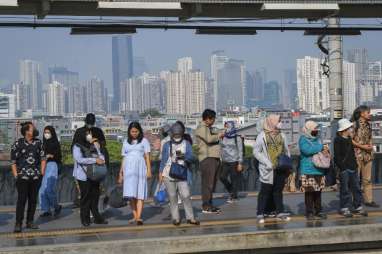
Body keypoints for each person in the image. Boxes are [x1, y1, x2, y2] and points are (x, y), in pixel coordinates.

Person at [159, 123, 200, 226]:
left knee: (186, 195)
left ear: (182, 132)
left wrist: (183, 157)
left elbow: (193, 157)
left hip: (182, 172)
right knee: (172, 197)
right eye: (175, 132)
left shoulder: (186, 143)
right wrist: (160, 173)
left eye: (178, 132)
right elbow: (163, 160)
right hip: (168, 173)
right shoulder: (166, 144)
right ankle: (176, 218)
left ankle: (190, 217)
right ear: (172, 133)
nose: (177, 134)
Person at [253, 114, 291, 224]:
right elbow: (256, 151)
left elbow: (286, 150)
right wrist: (266, 162)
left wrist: (288, 166)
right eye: (278, 120)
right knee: (265, 192)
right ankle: (260, 213)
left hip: (280, 167)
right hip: (268, 169)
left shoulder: (282, 135)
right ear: (272, 122)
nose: (280, 122)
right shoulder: (262, 135)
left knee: (278, 191)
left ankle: (280, 212)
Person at [11, 122, 46, 233]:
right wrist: (16, 175)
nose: (35, 130)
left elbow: (43, 158)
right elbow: (13, 162)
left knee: (33, 200)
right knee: (21, 200)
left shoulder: (38, 143)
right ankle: (18, 223)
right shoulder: (18, 144)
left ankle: (30, 222)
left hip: (36, 177)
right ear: (27, 131)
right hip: (22, 177)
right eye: (32, 128)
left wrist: (42, 173)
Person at [118, 122, 152, 225]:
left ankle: (139, 217)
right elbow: (123, 157)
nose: (134, 133)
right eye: (132, 131)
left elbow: (147, 156)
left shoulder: (144, 141)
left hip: (140, 168)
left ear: (139, 131)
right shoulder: (125, 142)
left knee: (140, 192)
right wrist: (121, 172)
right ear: (129, 131)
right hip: (128, 169)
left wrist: (149, 170)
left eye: (136, 131)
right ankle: (135, 216)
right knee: (131, 193)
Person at [72, 128, 108, 227]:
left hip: (94, 174)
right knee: (86, 197)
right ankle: (85, 218)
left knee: (95, 196)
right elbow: (79, 159)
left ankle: (97, 217)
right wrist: (95, 160)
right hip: (83, 175)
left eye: (90, 133)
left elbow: (100, 154)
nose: (89, 135)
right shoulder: (77, 146)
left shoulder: (93, 144)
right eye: (87, 134)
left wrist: (101, 159)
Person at [71, 113, 108, 207]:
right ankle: (85, 210)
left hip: (97, 166)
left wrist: (96, 141)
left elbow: (103, 144)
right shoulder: (80, 131)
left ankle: (96, 208)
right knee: (84, 191)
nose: (90, 125)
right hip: (83, 166)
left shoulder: (97, 131)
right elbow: (75, 146)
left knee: (96, 190)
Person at [334, 119, 368, 218]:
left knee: (356, 188)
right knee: (345, 189)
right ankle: (344, 207)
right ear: (345, 129)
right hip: (345, 169)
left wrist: (355, 165)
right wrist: (343, 168)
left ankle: (357, 206)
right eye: (349, 128)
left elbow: (352, 154)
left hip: (353, 167)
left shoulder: (349, 139)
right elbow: (337, 156)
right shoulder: (338, 140)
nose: (351, 129)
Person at [195, 109, 224, 214]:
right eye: (213, 118)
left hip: (214, 158)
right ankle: (206, 206)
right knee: (208, 183)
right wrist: (219, 135)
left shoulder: (208, 128)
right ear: (207, 119)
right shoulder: (201, 128)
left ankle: (210, 204)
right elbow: (209, 139)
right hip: (207, 159)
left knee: (212, 183)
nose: (214, 120)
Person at [299, 121, 328, 220]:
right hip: (308, 170)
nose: (316, 131)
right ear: (308, 130)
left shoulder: (318, 139)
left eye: (316, 130)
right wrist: (321, 147)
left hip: (319, 170)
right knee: (309, 193)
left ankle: (318, 211)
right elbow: (307, 150)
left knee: (318, 192)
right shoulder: (303, 140)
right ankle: (309, 212)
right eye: (314, 130)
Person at [352, 105, 379, 208]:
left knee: (367, 179)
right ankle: (355, 201)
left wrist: (370, 146)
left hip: (367, 155)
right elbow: (350, 140)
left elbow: (370, 137)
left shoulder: (368, 125)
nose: (369, 114)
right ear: (362, 113)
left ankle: (369, 200)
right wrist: (362, 146)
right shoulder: (354, 125)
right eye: (368, 112)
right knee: (355, 179)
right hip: (357, 155)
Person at [39, 126, 62, 218]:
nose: (46, 134)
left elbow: (58, 157)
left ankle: (56, 206)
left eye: (48, 132)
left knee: (49, 189)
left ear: (52, 133)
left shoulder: (55, 143)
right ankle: (46, 210)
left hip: (52, 166)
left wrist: (50, 155)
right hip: (44, 166)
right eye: (45, 132)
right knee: (42, 190)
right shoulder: (42, 144)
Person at [220, 121, 244, 203]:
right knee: (222, 177)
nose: (225, 128)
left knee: (234, 179)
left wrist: (240, 163)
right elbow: (221, 148)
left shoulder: (237, 138)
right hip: (225, 161)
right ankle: (232, 191)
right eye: (225, 126)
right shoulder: (223, 137)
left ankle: (233, 197)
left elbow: (240, 151)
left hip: (234, 161)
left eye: (227, 126)